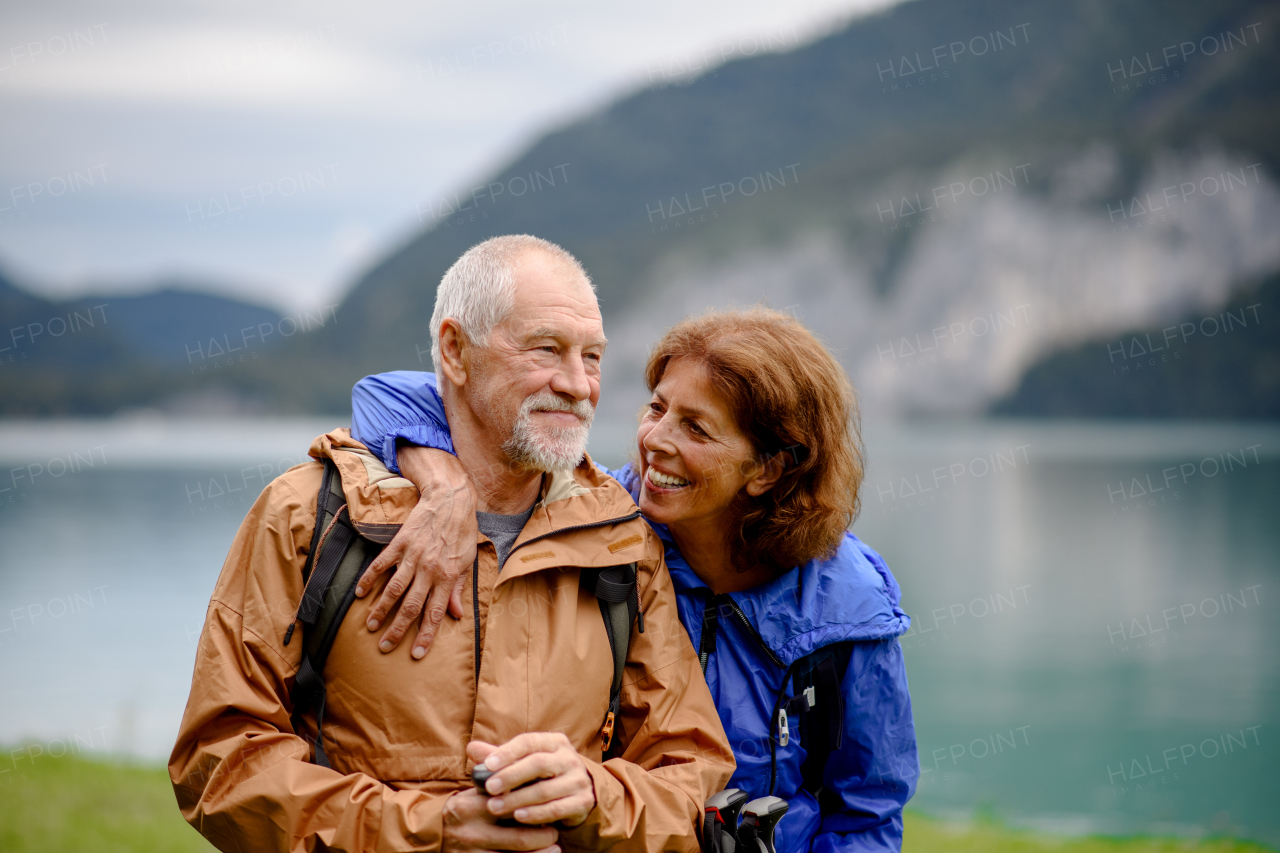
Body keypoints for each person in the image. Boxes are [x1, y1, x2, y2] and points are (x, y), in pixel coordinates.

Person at [170, 235, 735, 853]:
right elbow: (218, 764)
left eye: (592, 357)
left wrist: (593, 799)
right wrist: (428, 830)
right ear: (455, 351)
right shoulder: (307, 516)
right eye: (547, 349)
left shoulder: (621, 538)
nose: (578, 385)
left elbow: (691, 776)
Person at [350, 307, 920, 852]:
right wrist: (442, 478)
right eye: (657, 408)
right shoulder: (600, 524)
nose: (654, 441)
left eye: (696, 428)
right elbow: (380, 393)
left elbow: (866, 810)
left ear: (767, 469)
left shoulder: (848, 606)